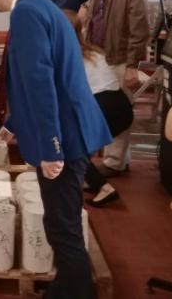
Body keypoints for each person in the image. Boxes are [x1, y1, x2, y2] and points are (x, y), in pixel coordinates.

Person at [0, 0, 111, 299]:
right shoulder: (40, 6)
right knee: (60, 221)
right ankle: (67, 287)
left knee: (62, 225)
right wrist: (13, 123)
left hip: (65, 135)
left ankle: (77, 291)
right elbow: (39, 79)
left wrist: (52, 148)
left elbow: (41, 83)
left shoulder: (26, 12)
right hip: (72, 127)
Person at [85, 0, 149, 177]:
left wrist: (133, 65)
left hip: (120, 58)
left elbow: (140, 29)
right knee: (104, 108)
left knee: (119, 110)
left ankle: (114, 162)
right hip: (100, 57)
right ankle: (119, 158)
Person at [64, 10, 134, 207]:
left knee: (71, 146)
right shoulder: (92, 52)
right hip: (121, 106)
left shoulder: (69, 57)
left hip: (104, 107)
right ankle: (91, 181)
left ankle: (105, 188)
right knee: (79, 145)